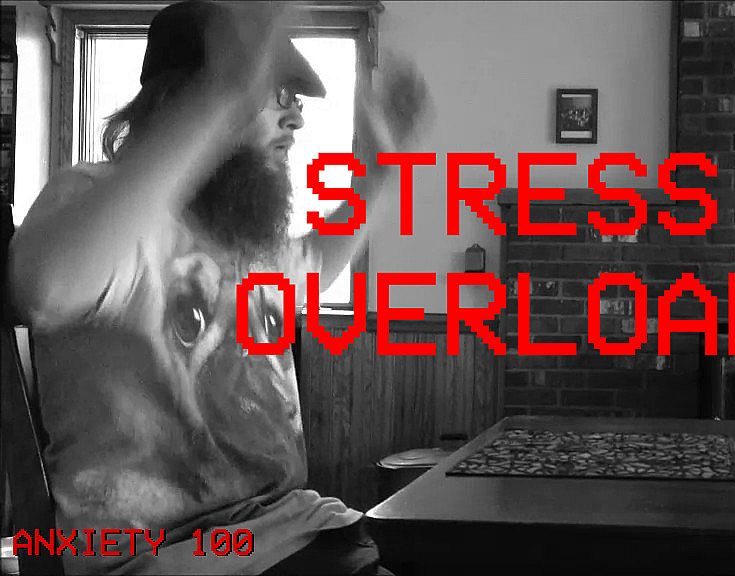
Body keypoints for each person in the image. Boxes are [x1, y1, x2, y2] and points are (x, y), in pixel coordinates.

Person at [7, 1, 426, 573]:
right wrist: (220, 95)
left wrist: (379, 172)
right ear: (185, 97)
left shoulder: (242, 235)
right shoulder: (102, 205)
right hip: (172, 557)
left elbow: (316, 265)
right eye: (277, 94)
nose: (296, 120)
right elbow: (46, 286)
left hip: (291, 530)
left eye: (296, 101)